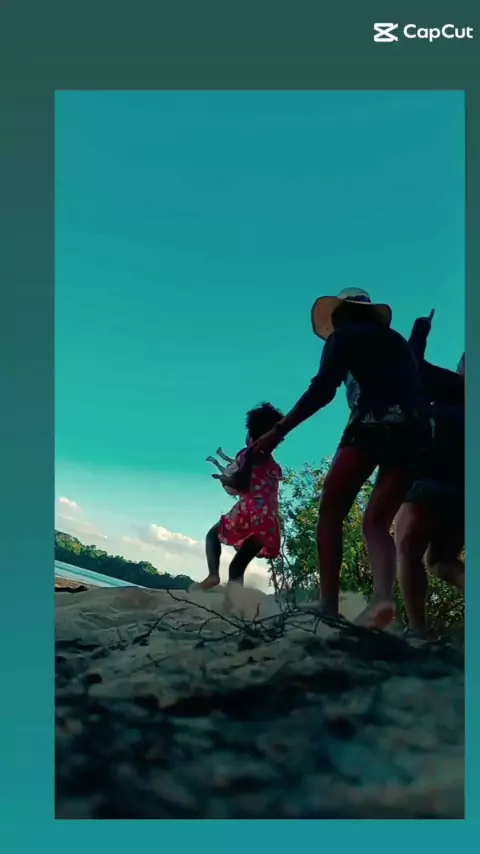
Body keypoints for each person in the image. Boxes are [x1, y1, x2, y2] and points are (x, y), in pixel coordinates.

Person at [249, 289, 427, 629]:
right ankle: (382, 598)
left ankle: (328, 605)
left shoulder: (345, 336)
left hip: (371, 424)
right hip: (416, 432)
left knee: (331, 510)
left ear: (343, 313)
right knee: (377, 522)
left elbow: (322, 390)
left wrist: (277, 431)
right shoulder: (396, 342)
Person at [395, 354, 465, 638]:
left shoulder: (449, 399)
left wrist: (420, 333)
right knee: (440, 560)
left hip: (430, 482)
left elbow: (412, 363)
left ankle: (417, 630)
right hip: (464, 495)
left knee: (407, 547)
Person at [197, 403, 284, 590]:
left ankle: (213, 576)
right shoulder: (275, 467)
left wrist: (225, 480)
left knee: (212, 535)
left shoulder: (248, 455)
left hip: (249, 512)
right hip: (268, 523)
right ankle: (235, 602)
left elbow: (241, 483)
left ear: (251, 436)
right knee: (237, 567)